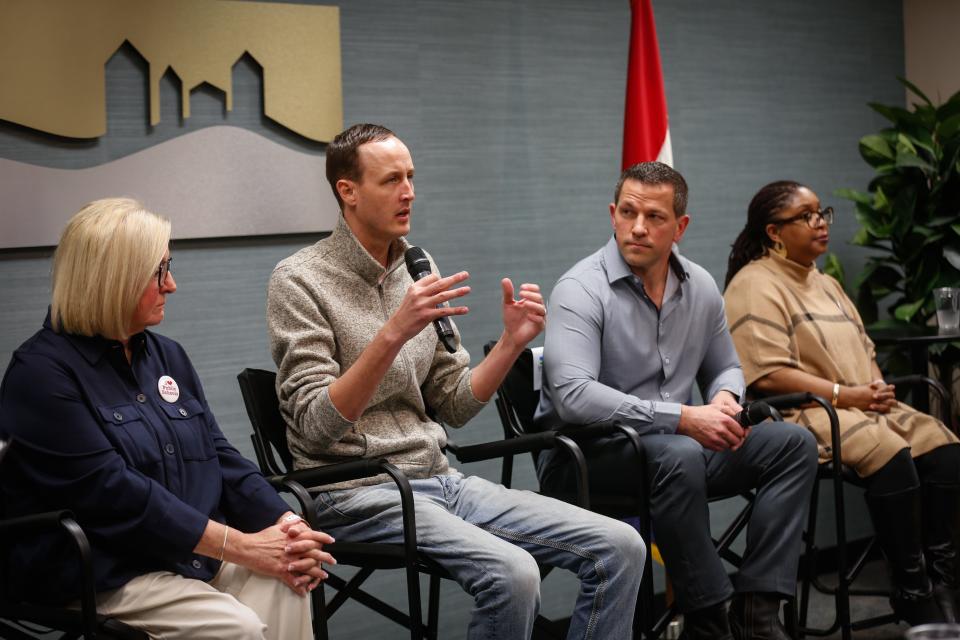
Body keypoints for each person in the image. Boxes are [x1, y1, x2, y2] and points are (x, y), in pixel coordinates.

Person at [267, 123, 646, 640]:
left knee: (621, 545)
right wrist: (394, 332)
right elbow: (314, 427)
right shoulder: (299, 280)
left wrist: (512, 342)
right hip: (356, 492)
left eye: (411, 177)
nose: (409, 192)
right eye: (391, 180)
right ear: (347, 191)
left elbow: (453, 403)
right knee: (513, 573)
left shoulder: (417, 267)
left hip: (438, 478)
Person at [0, 198, 335, 640]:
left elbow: (219, 457)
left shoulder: (166, 356)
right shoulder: (40, 374)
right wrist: (241, 546)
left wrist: (284, 525)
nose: (171, 284)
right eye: (158, 271)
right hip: (105, 570)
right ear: (113, 280)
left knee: (288, 578)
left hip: (186, 554)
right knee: (236, 629)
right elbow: (116, 494)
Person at [534, 162, 819, 640]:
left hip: (676, 455)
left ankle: (759, 611)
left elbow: (726, 365)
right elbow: (574, 397)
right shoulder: (580, 289)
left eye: (655, 216)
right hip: (586, 459)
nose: (638, 227)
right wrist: (685, 417)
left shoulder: (700, 286)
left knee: (792, 444)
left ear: (680, 226)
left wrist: (726, 398)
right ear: (613, 214)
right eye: (628, 212)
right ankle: (710, 620)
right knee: (681, 452)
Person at [723, 180, 960, 624]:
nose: (820, 223)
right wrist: (847, 395)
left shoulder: (826, 281)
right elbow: (768, 373)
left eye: (822, 212)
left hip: (862, 406)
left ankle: (941, 581)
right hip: (805, 413)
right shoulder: (753, 285)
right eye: (807, 215)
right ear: (775, 232)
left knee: (944, 447)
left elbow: (864, 347)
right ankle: (912, 589)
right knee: (889, 454)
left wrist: (875, 387)